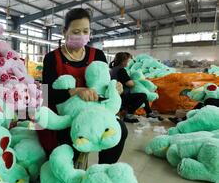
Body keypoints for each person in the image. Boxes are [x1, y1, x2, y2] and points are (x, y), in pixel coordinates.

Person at [39, 8, 128, 165]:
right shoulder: (52, 58)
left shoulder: (98, 55)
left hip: (95, 112)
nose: (81, 36)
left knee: (119, 129)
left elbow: (105, 85)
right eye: (76, 31)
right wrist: (75, 91)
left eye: (85, 31)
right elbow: (47, 95)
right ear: (64, 31)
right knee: (69, 140)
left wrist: (116, 88)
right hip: (67, 115)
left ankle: (103, 171)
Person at [110, 52, 161, 123]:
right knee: (143, 95)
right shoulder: (121, 70)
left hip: (115, 95)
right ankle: (129, 114)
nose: (128, 62)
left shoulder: (113, 69)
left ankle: (149, 112)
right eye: (128, 60)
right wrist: (135, 81)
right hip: (121, 96)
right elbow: (130, 84)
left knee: (141, 93)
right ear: (123, 61)